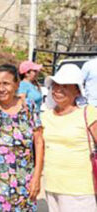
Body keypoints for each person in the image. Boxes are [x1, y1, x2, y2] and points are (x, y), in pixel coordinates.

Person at [0, 64, 44, 212]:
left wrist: (37, 177)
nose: (1, 89)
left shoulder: (29, 108)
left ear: (17, 84)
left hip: (23, 182)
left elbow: (39, 142)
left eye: (6, 83)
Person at [42, 64, 97, 212]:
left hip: (80, 190)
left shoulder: (89, 113)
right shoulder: (45, 115)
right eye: (55, 85)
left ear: (77, 91)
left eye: (65, 86)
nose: (58, 90)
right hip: (52, 186)